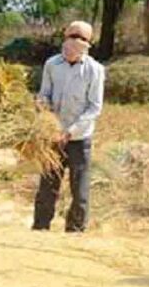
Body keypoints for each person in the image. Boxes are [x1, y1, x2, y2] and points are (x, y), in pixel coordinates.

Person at [32, 21, 106, 233]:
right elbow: (44, 93)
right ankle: (40, 228)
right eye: (71, 36)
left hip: (79, 139)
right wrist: (42, 107)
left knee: (80, 190)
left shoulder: (95, 70)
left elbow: (94, 108)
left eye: (81, 38)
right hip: (52, 136)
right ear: (64, 37)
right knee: (47, 186)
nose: (74, 41)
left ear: (87, 44)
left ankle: (75, 231)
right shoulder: (52, 65)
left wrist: (70, 131)